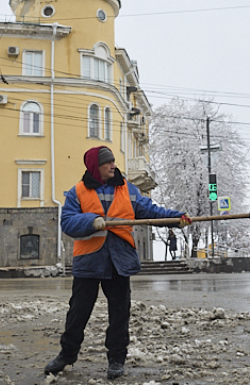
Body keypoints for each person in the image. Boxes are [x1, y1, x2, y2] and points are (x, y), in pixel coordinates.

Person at [45, 146, 191, 380]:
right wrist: (92, 221)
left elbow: (151, 211)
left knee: (120, 314)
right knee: (77, 314)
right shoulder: (77, 192)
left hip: (118, 261)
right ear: (95, 166)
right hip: (89, 262)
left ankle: (116, 359)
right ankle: (67, 355)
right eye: (107, 162)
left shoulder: (128, 189)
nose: (113, 165)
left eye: (113, 161)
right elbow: (68, 222)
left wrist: (176, 219)